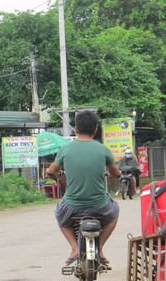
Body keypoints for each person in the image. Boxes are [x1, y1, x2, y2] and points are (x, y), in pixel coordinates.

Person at [46, 109, 121, 267]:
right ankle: (99, 248)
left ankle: (74, 248)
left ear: (76, 129)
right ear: (95, 130)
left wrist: (54, 172)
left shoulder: (65, 149)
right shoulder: (103, 149)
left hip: (72, 206)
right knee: (115, 213)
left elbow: (52, 170)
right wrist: (115, 174)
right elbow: (115, 172)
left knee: (59, 215)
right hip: (100, 205)